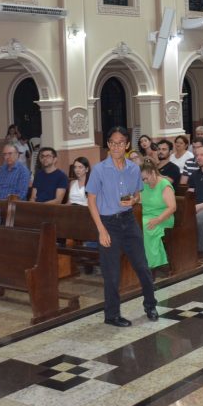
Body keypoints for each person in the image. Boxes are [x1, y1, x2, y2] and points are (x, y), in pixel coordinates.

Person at [85, 126, 159, 327]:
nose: (116, 146)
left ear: (127, 145)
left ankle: (150, 304)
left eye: (120, 143)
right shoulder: (99, 170)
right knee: (112, 272)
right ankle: (112, 315)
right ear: (108, 145)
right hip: (108, 224)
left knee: (142, 266)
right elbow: (91, 201)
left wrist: (133, 201)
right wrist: (101, 230)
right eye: (112, 142)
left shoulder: (134, 168)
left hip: (128, 220)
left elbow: (137, 194)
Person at [139, 158, 176, 271]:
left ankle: (153, 263)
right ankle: (139, 260)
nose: (144, 181)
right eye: (142, 179)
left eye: (146, 178)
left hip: (164, 217)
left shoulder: (164, 185)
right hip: (147, 216)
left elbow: (172, 207)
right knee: (133, 224)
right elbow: (139, 200)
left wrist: (158, 219)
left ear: (153, 173)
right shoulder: (143, 185)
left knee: (146, 225)